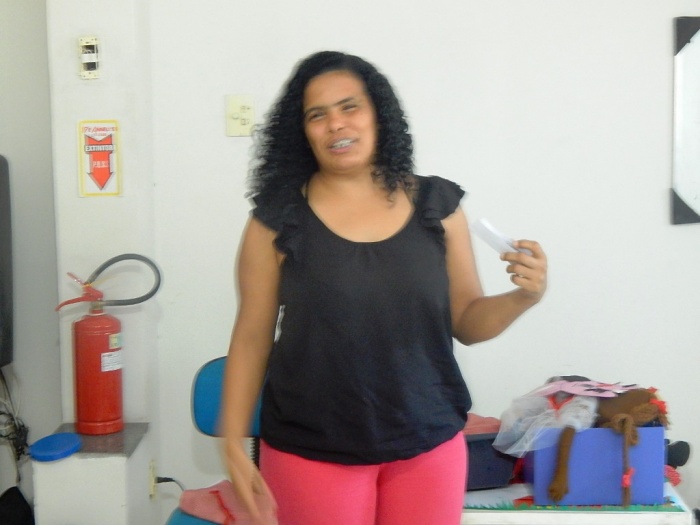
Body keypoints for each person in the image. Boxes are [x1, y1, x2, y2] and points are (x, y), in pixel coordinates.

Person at [221, 50, 548, 525]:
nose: (336, 123)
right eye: (317, 115)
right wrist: (232, 440)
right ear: (303, 132)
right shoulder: (275, 221)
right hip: (312, 447)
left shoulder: (438, 206)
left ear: (379, 114)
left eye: (349, 106)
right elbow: (251, 337)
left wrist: (523, 296)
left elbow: (467, 321)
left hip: (428, 442)